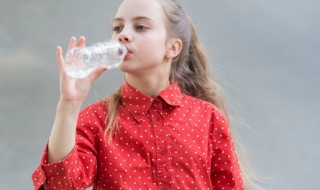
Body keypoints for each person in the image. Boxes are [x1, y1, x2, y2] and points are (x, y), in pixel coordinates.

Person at [32, 0, 247, 189]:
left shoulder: (208, 117)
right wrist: (68, 105)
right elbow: (60, 186)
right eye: (117, 27)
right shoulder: (96, 120)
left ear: (172, 48)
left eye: (141, 27)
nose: (123, 35)